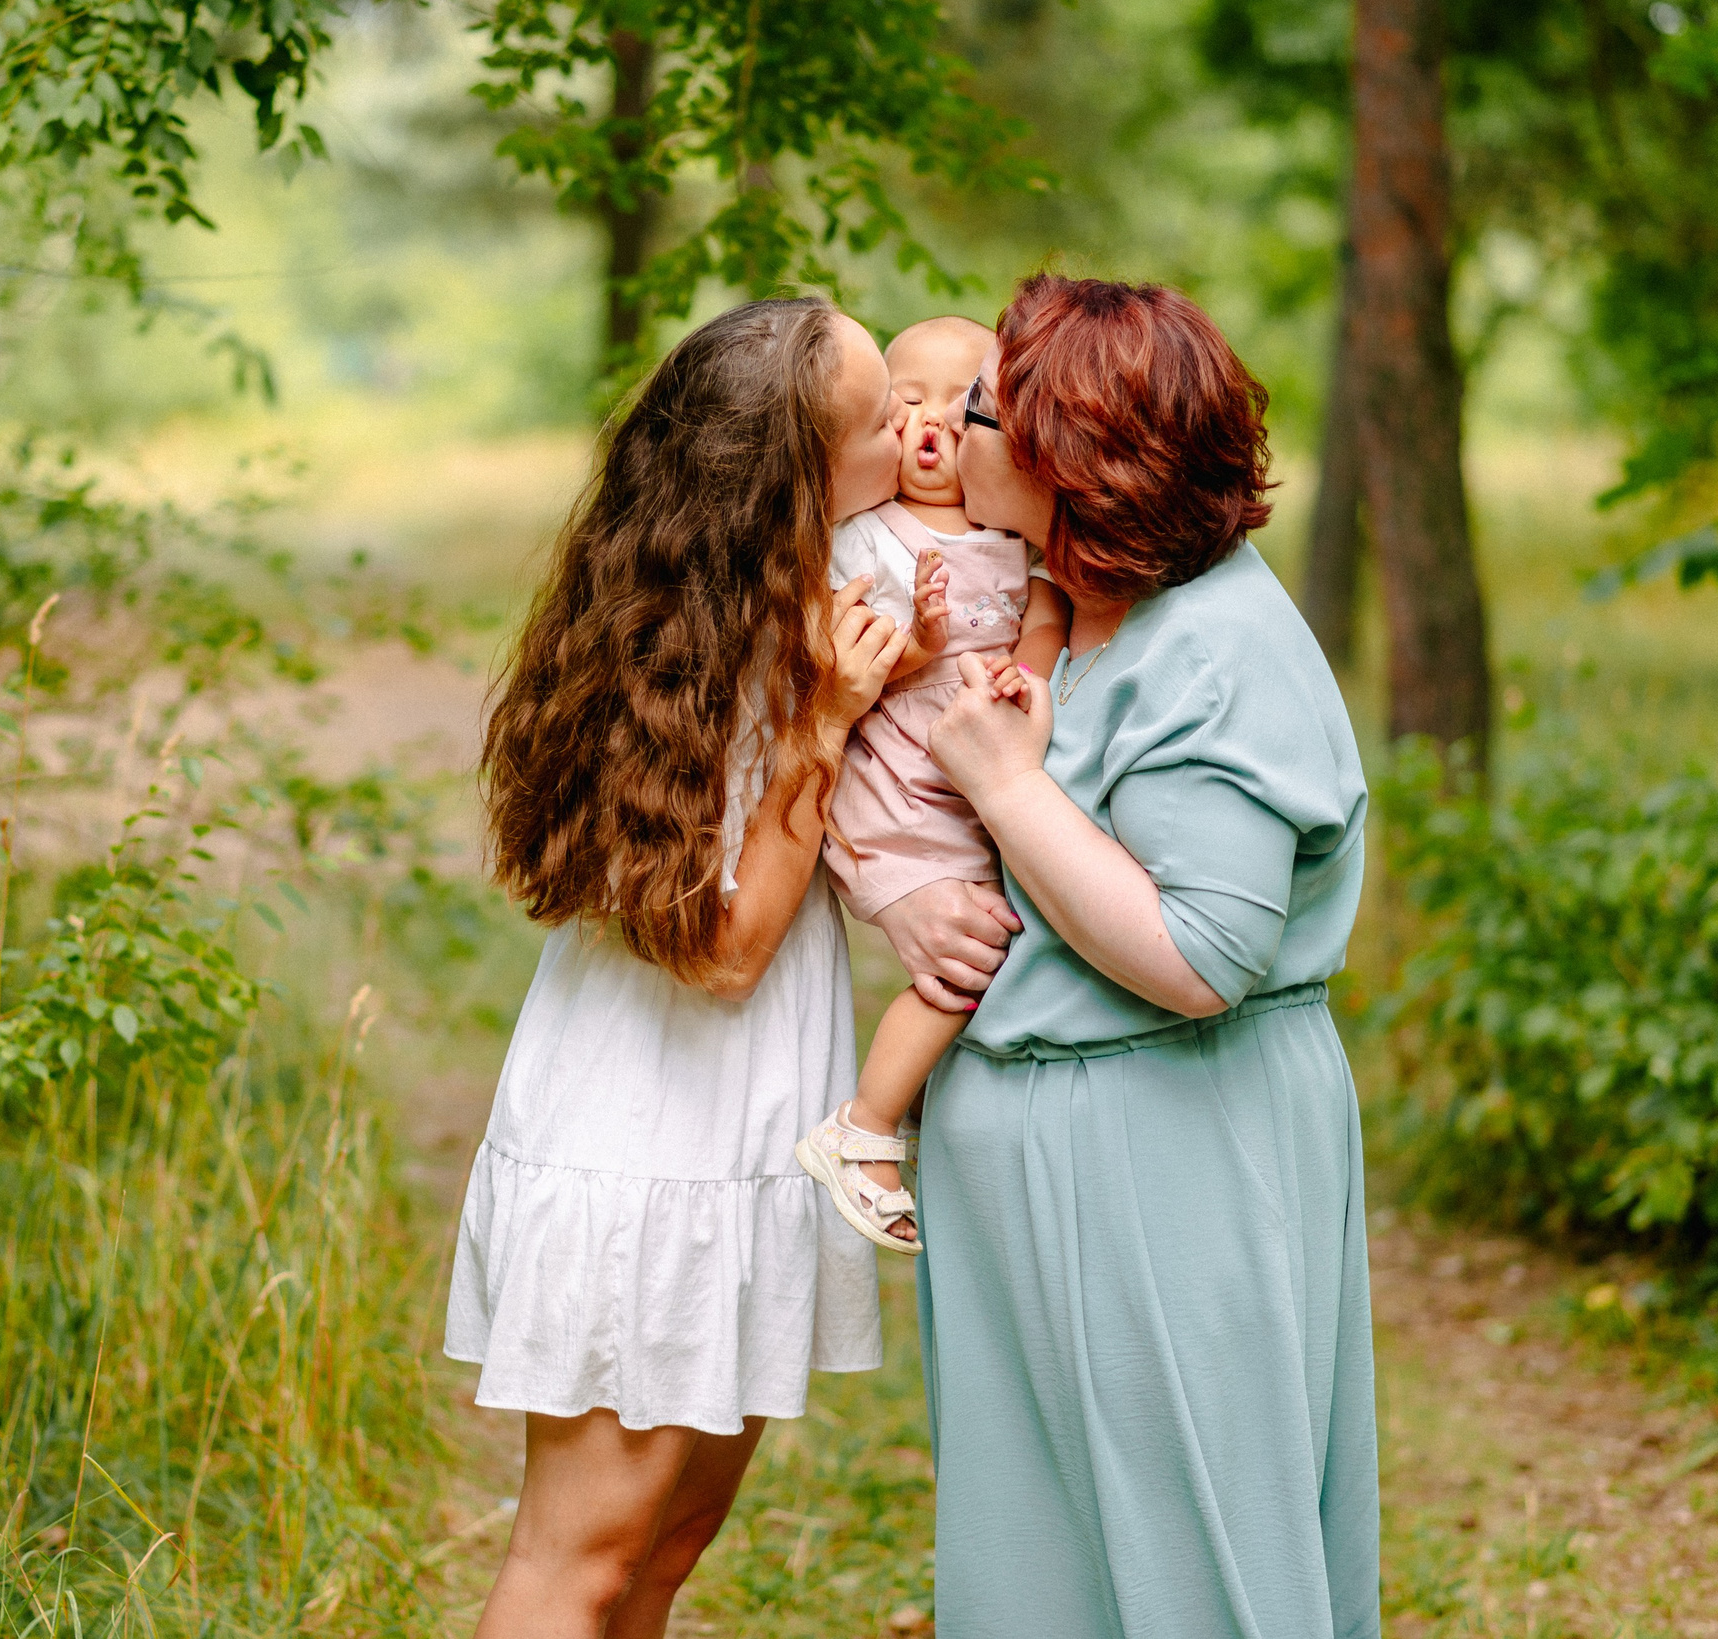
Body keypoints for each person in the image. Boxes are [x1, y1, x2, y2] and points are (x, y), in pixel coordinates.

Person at [915, 274, 1380, 1637]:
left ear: (1075, 457)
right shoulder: (1078, 598)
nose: (954, 423)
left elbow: (1203, 951)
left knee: (1194, 1560)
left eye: (983, 406)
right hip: (1056, 1148)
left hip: (1170, 1146)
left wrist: (1007, 788)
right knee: (1056, 1565)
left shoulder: (1219, 648)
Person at [446, 297, 912, 1639]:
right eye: (878, 422)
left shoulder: (790, 606)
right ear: (794, 477)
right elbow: (721, 951)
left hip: (733, 1140)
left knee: (665, 1547)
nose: (910, 436)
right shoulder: (690, 653)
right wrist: (828, 724)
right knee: (578, 1561)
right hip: (647, 1153)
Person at [795, 315, 1070, 1255]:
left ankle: (899, 1118)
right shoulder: (867, 540)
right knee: (968, 960)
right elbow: (838, 669)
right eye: (903, 405)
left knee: (991, 944)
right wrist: (919, 647)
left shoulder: (1006, 533)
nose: (926, 427)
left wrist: (1021, 675)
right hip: (900, 790)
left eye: (956, 414)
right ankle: (866, 1129)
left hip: (977, 769)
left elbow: (1042, 622)